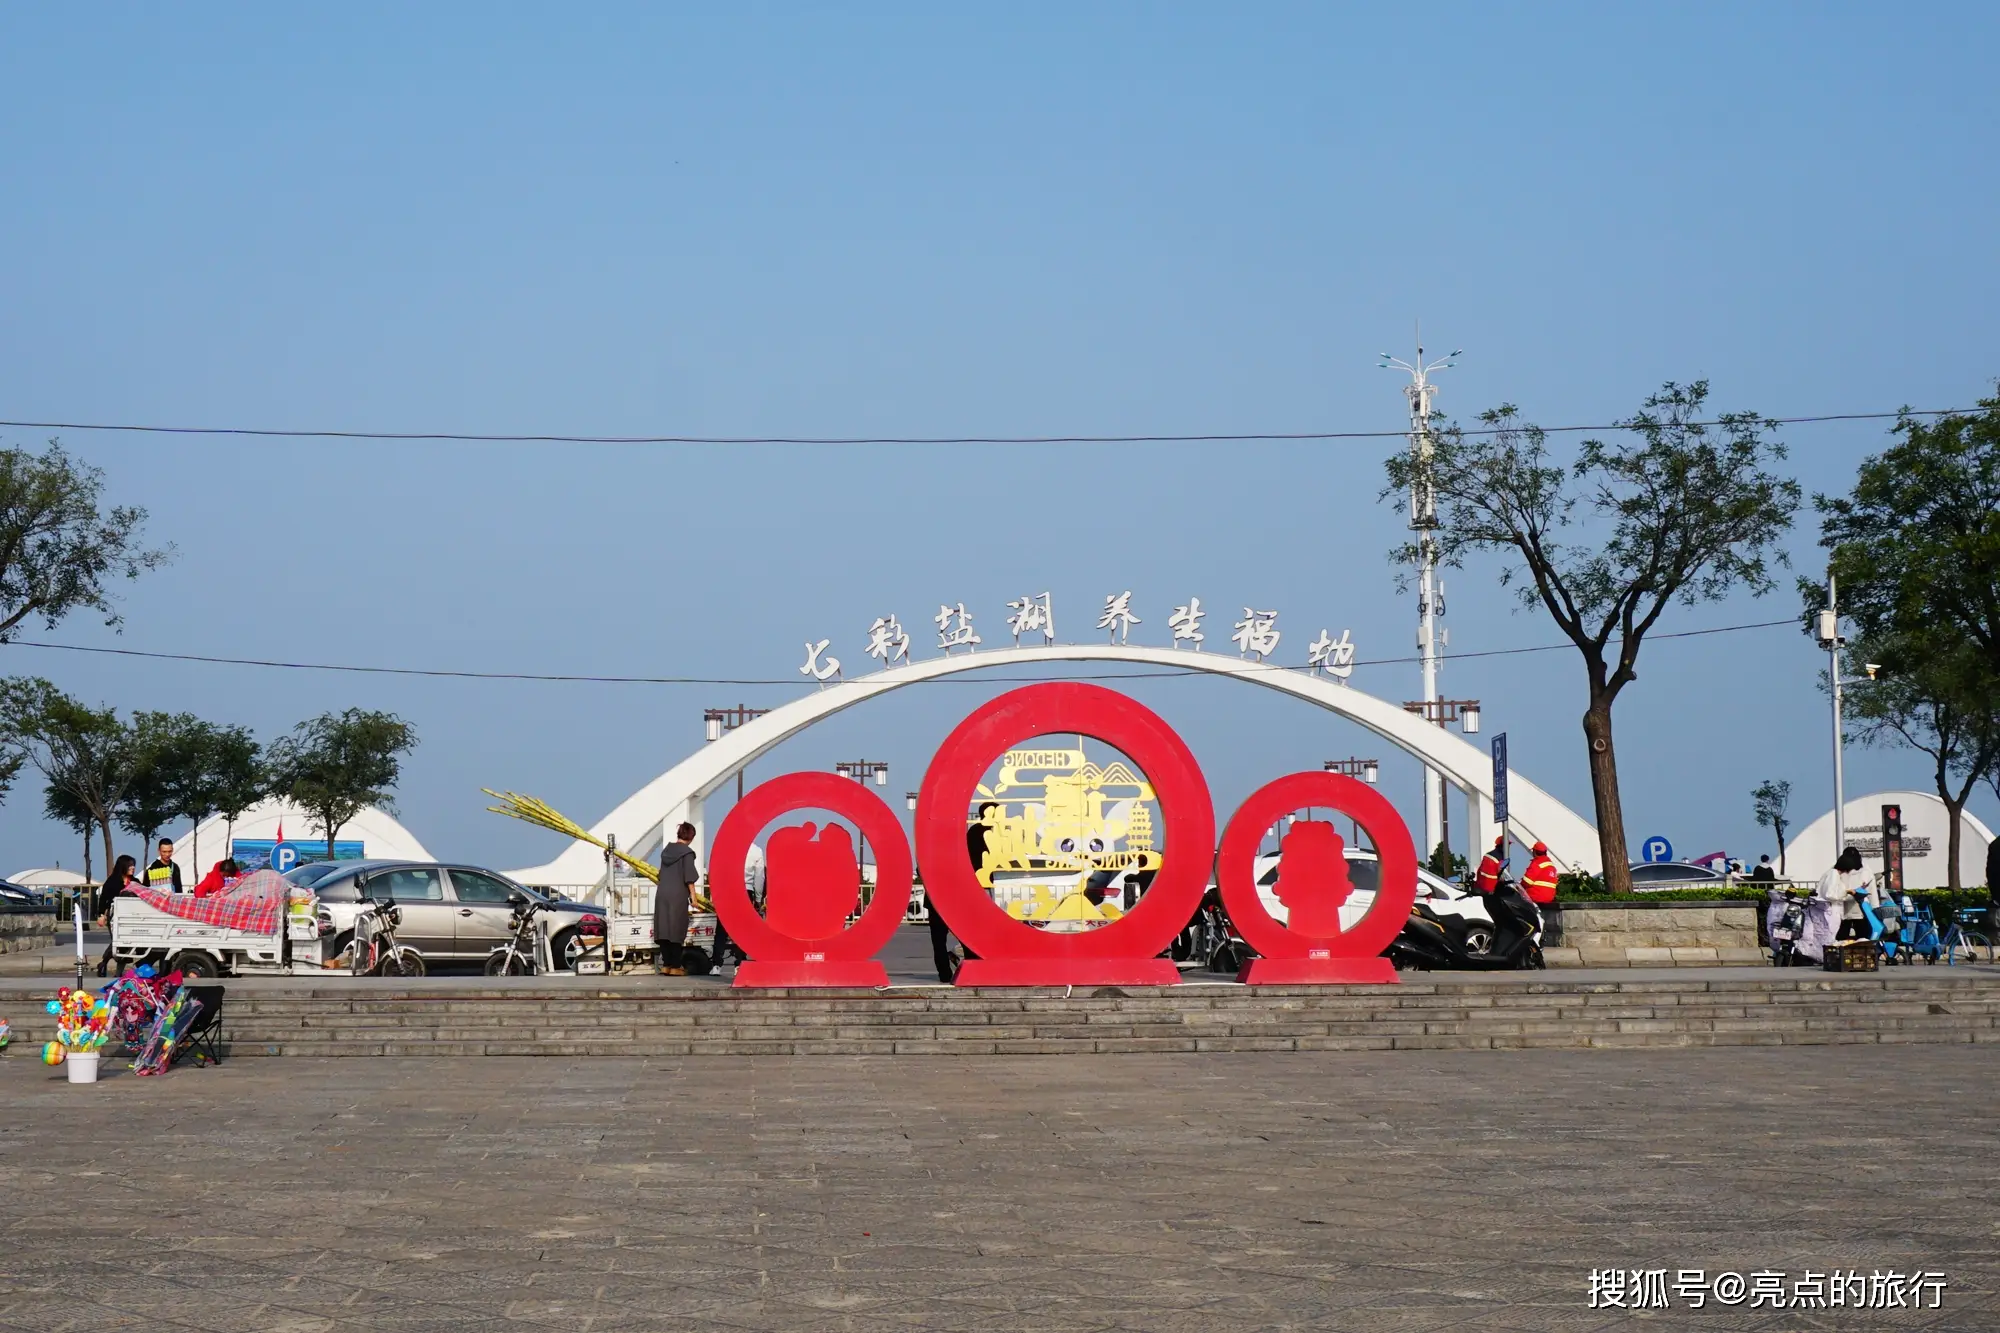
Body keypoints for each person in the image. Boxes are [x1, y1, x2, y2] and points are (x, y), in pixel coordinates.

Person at [931, 802, 996, 983]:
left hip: (956, 892)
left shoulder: (964, 838)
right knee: (958, 932)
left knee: (960, 933)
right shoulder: (976, 834)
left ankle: (961, 964)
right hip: (953, 893)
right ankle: (954, 967)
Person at [1801, 846, 1864, 963]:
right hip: (1829, 912)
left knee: (1822, 936)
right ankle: (1824, 959)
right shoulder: (1834, 874)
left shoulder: (1830, 873)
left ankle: (1820, 958)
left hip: (1825, 911)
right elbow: (1830, 894)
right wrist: (1848, 891)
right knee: (1827, 937)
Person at [653, 822, 699, 976]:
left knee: (664, 929)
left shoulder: (666, 851)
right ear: (691, 837)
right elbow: (689, 878)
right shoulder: (686, 853)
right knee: (676, 929)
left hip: (662, 894)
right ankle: (676, 965)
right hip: (677, 894)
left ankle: (666, 965)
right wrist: (694, 898)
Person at [94, 854, 137, 977]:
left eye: (133, 865)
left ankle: (117, 972)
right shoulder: (112, 882)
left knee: (125, 944)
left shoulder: (135, 882)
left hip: (131, 918)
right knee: (117, 941)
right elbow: (104, 899)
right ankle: (104, 962)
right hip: (115, 918)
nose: (133, 868)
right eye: (130, 865)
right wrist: (101, 915)